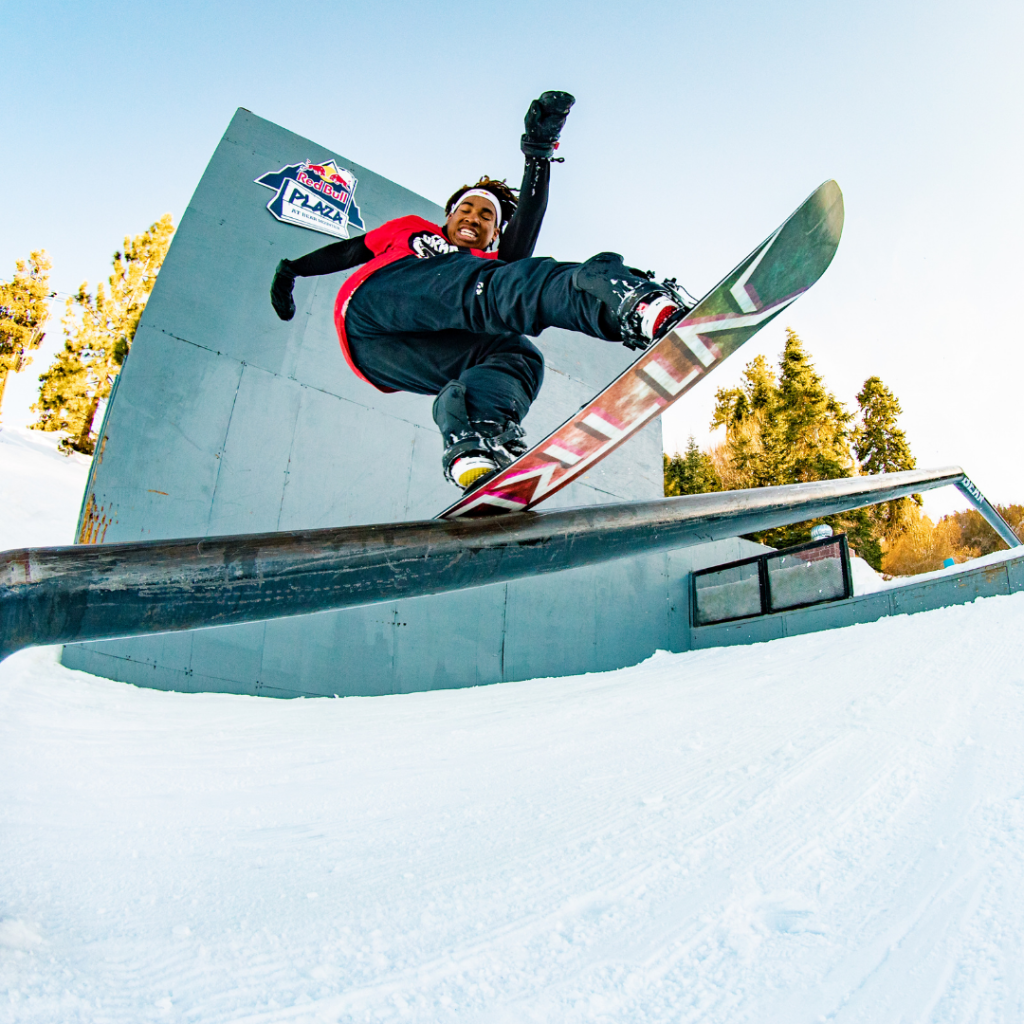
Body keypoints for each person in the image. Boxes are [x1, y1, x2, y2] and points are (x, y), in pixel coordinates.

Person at [270, 92, 691, 490]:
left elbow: (523, 236)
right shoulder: (413, 229)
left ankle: (476, 434)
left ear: (493, 234)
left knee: (516, 354)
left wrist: (538, 156)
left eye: (486, 216)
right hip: (372, 310)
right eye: (466, 209)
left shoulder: (489, 264)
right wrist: (293, 270)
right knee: (482, 286)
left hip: (391, 360)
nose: (473, 217)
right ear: (449, 215)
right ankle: (623, 300)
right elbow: (349, 250)